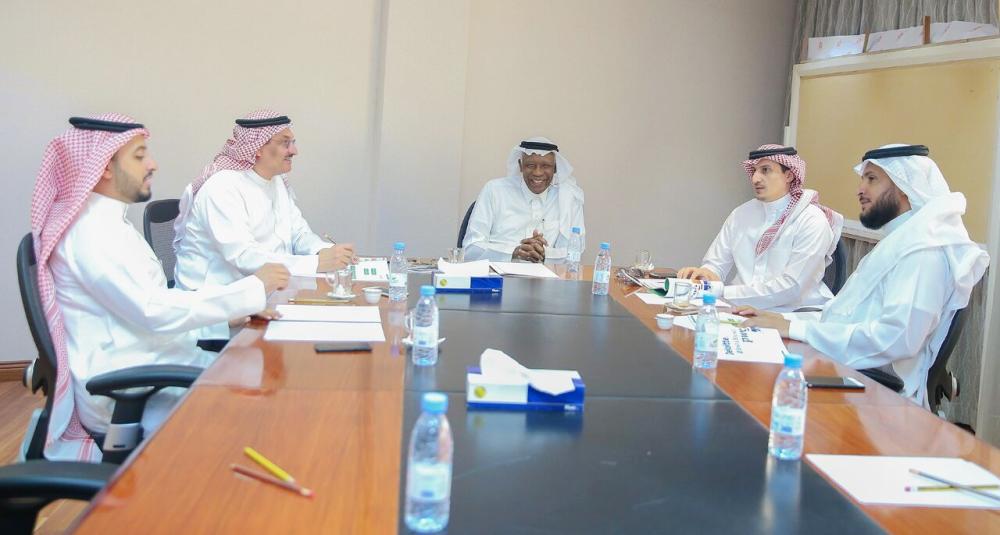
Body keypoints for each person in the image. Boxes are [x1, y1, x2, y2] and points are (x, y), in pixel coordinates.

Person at [32, 115, 289, 461]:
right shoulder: (91, 235)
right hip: (131, 388)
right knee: (270, 408)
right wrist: (251, 290)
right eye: (140, 156)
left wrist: (224, 320)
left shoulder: (110, 223)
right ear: (104, 167)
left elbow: (150, 306)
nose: (152, 164)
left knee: (274, 384)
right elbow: (153, 311)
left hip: (156, 362)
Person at [738, 144, 989, 407]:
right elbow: (844, 316)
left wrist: (795, 328)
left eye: (872, 179)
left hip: (875, 396)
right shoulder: (900, 242)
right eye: (862, 179)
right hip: (849, 372)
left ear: (904, 187)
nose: (860, 189)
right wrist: (783, 320)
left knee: (755, 390)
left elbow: (894, 340)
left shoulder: (922, 252)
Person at [174, 110, 354, 337]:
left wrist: (325, 252)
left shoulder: (276, 181)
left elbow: (299, 233)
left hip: (267, 297)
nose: (294, 151)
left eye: (293, 142)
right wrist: (315, 264)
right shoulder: (222, 187)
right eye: (285, 143)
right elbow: (244, 256)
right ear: (257, 148)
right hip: (218, 312)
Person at [678, 144, 843, 311]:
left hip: (792, 314)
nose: (755, 178)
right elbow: (716, 264)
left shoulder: (811, 220)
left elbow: (792, 288)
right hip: (737, 309)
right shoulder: (741, 214)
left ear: (789, 175)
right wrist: (705, 276)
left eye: (765, 170)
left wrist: (721, 291)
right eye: (754, 171)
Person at [462, 137, 585, 263]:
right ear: (520, 166)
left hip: (546, 274)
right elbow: (470, 249)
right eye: (531, 165)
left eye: (546, 166)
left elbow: (574, 254)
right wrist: (514, 252)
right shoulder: (495, 190)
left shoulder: (570, 199)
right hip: (497, 273)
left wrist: (545, 254)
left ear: (555, 168)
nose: (538, 173)